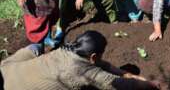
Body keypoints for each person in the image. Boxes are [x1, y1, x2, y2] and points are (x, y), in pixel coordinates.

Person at [0, 30, 160, 90]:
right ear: (93, 56)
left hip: (7, 69)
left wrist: (129, 74)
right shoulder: (82, 71)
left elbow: (103, 65)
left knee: (35, 48)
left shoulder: (67, 49)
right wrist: (150, 85)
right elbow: (120, 84)